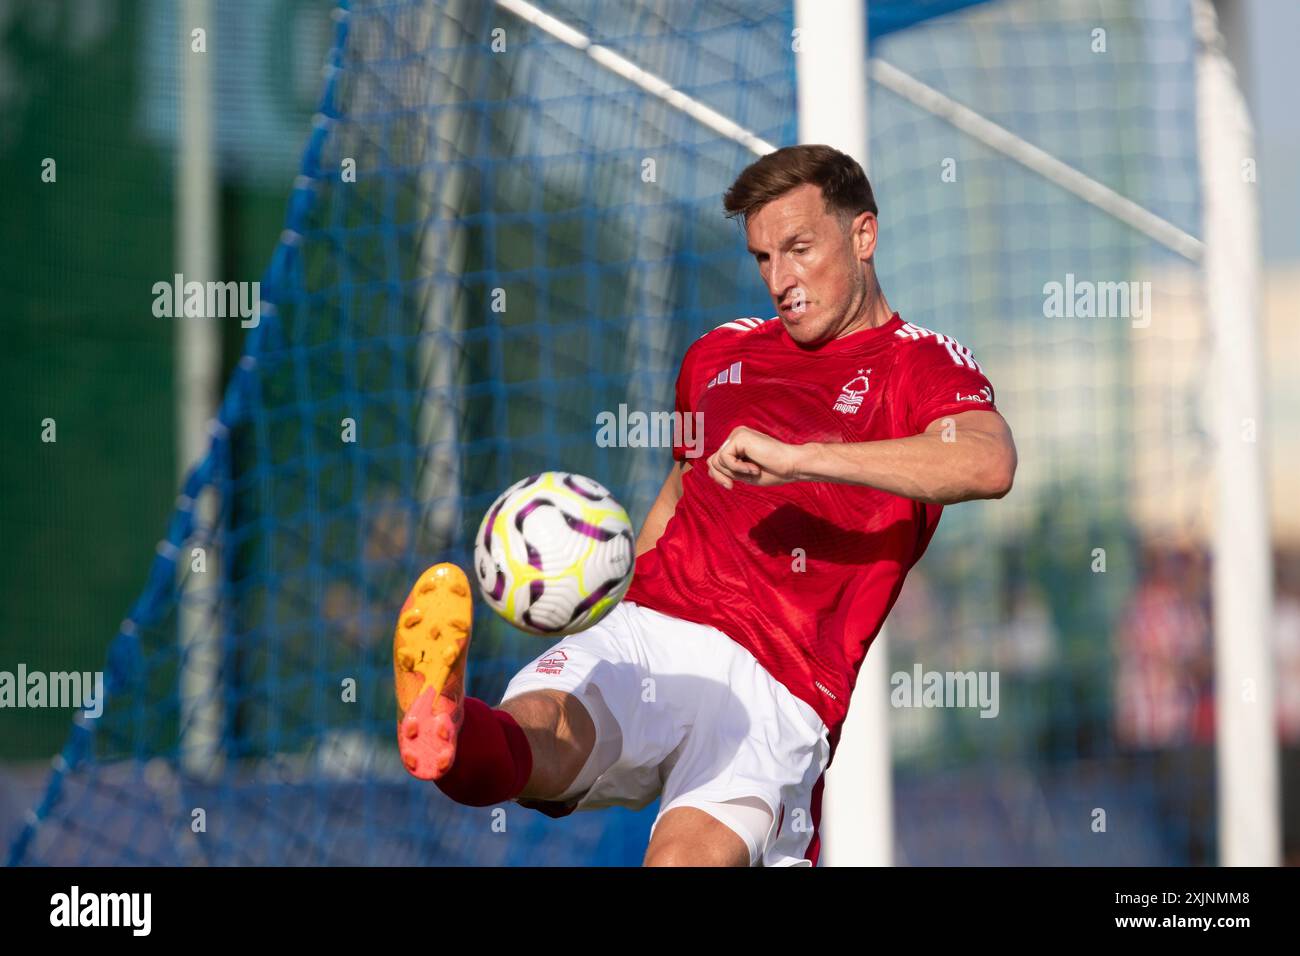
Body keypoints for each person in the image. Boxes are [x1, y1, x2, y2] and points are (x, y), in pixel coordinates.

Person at [393, 144, 1017, 866]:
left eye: (799, 249)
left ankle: (462, 729)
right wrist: (615, 604)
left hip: (782, 683)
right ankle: (445, 725)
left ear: (863, 235)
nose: (781, 280)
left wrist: (802, 457)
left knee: (686, 859)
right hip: (657, 626)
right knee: (541, 731)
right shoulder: (718, 355)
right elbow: (680, 492)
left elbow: (988, 460)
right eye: (762, 258)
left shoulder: (921, 363)